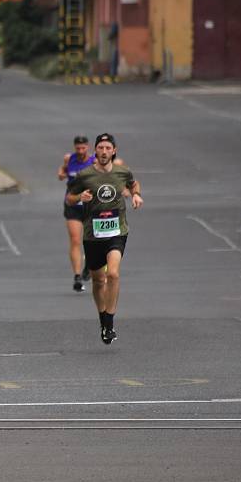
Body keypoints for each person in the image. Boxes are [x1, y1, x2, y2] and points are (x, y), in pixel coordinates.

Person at [66, 134, 143, 344]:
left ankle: (109, 321)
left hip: (117, 232)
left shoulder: (122, 172)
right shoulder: (85, 175)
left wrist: (136, 195)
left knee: (114, 274)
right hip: (93, 235)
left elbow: (134, 184)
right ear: (95, 151)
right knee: (99, 280)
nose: (104, 151)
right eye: (100, 148)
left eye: (108, 148)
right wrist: (79, 198)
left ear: (114, 151)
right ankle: (103, 319)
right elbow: (69, 197)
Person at [57, 136, 94, 292]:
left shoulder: (94, 161)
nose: (80, 151)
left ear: (88, 147)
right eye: (77, 148)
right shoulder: (69, 159)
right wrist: (62, 174)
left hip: (90, 206)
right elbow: (61, 171)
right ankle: (77, 276)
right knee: (75, 239)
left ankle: (89, 266)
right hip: (72, 204)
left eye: (83, 148)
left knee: (91, 241)